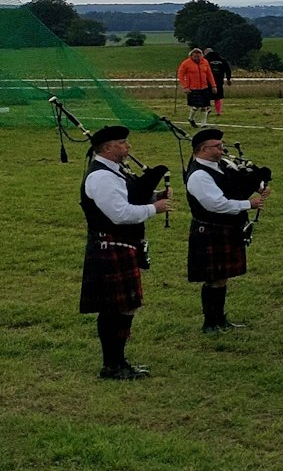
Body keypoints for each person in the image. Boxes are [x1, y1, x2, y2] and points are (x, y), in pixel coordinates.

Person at [80, 124, 172, 379]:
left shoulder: (115, 171)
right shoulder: (101, 177)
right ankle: (112, 365)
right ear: (108, 148)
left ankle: (117, 362)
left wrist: (154, 196)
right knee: (116, 308)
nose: (128, 147)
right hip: (111, 246)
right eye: (122, 143)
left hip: (119, 246)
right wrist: (156, 209)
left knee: (124, 307)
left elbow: (128, 198)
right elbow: (120, 214)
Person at [183, 127, 267, 333]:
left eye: (222, 145)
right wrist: (249, 204)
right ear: (203, 149)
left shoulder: (221, 165)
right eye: (217, 146)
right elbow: (216, 205)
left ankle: (219, 319)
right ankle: (210, 323)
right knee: (213, 278)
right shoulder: (198, 175)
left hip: (226, 228)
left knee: (221, 276)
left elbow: (238, 182)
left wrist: (259, 184)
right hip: (211, 229)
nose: (222, 149)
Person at [178, 49, 215, 126]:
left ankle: (203, 124)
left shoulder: (205, 62)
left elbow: (209, 74)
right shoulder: (186, 63)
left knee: (205, 107)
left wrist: (213, 86)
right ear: (191, 56)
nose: (197, 58)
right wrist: (185, 87)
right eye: (195, 56)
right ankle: (190, 118)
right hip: (193, 88)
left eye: (199, 56)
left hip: (204, 87)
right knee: (196, 106)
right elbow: (180, 76)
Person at [203, 47, 231, 119]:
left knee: (206, 96)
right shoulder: (222, 60)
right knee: (218, 97)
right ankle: (218, 112)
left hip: (207, 81)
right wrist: (228, 79)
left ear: (206, 53)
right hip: (219, 81)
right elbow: (228, 70)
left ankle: (207, 108)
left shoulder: (204, 60)